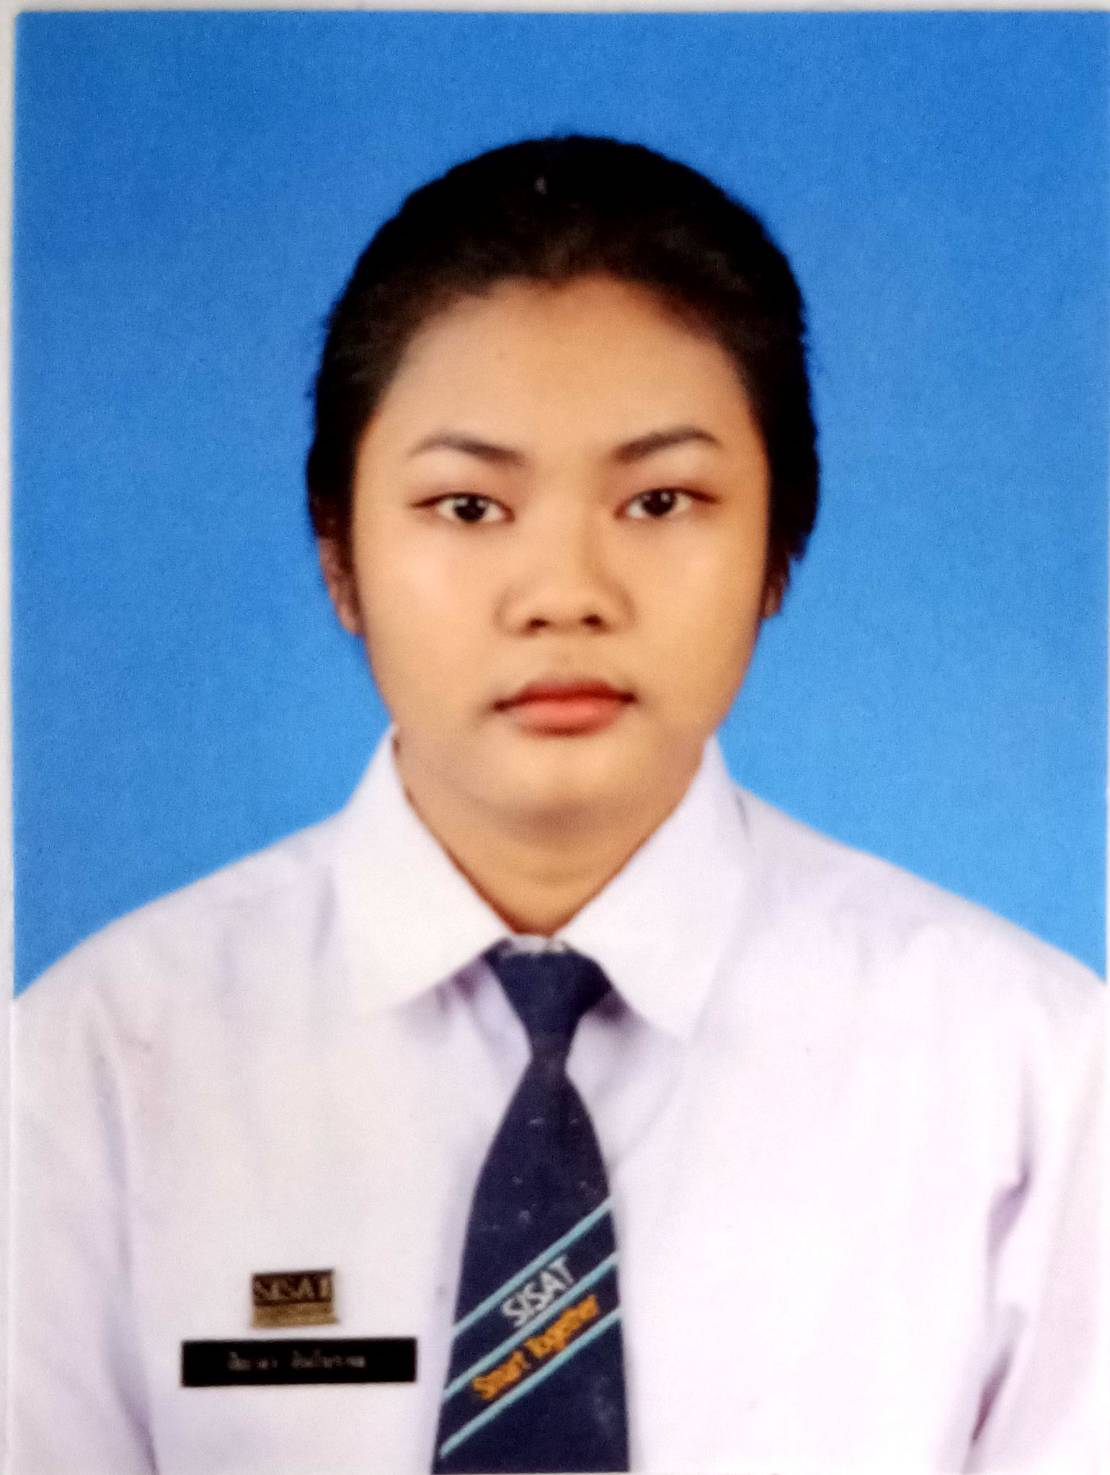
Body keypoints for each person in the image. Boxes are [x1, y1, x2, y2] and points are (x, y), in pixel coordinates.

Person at [10, 134, 1102, 1475]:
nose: (565, 593)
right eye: (469, 505)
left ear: (780, 545)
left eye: (661, 499)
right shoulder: (92, 1071)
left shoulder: (1033, 1083)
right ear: (338, 553)